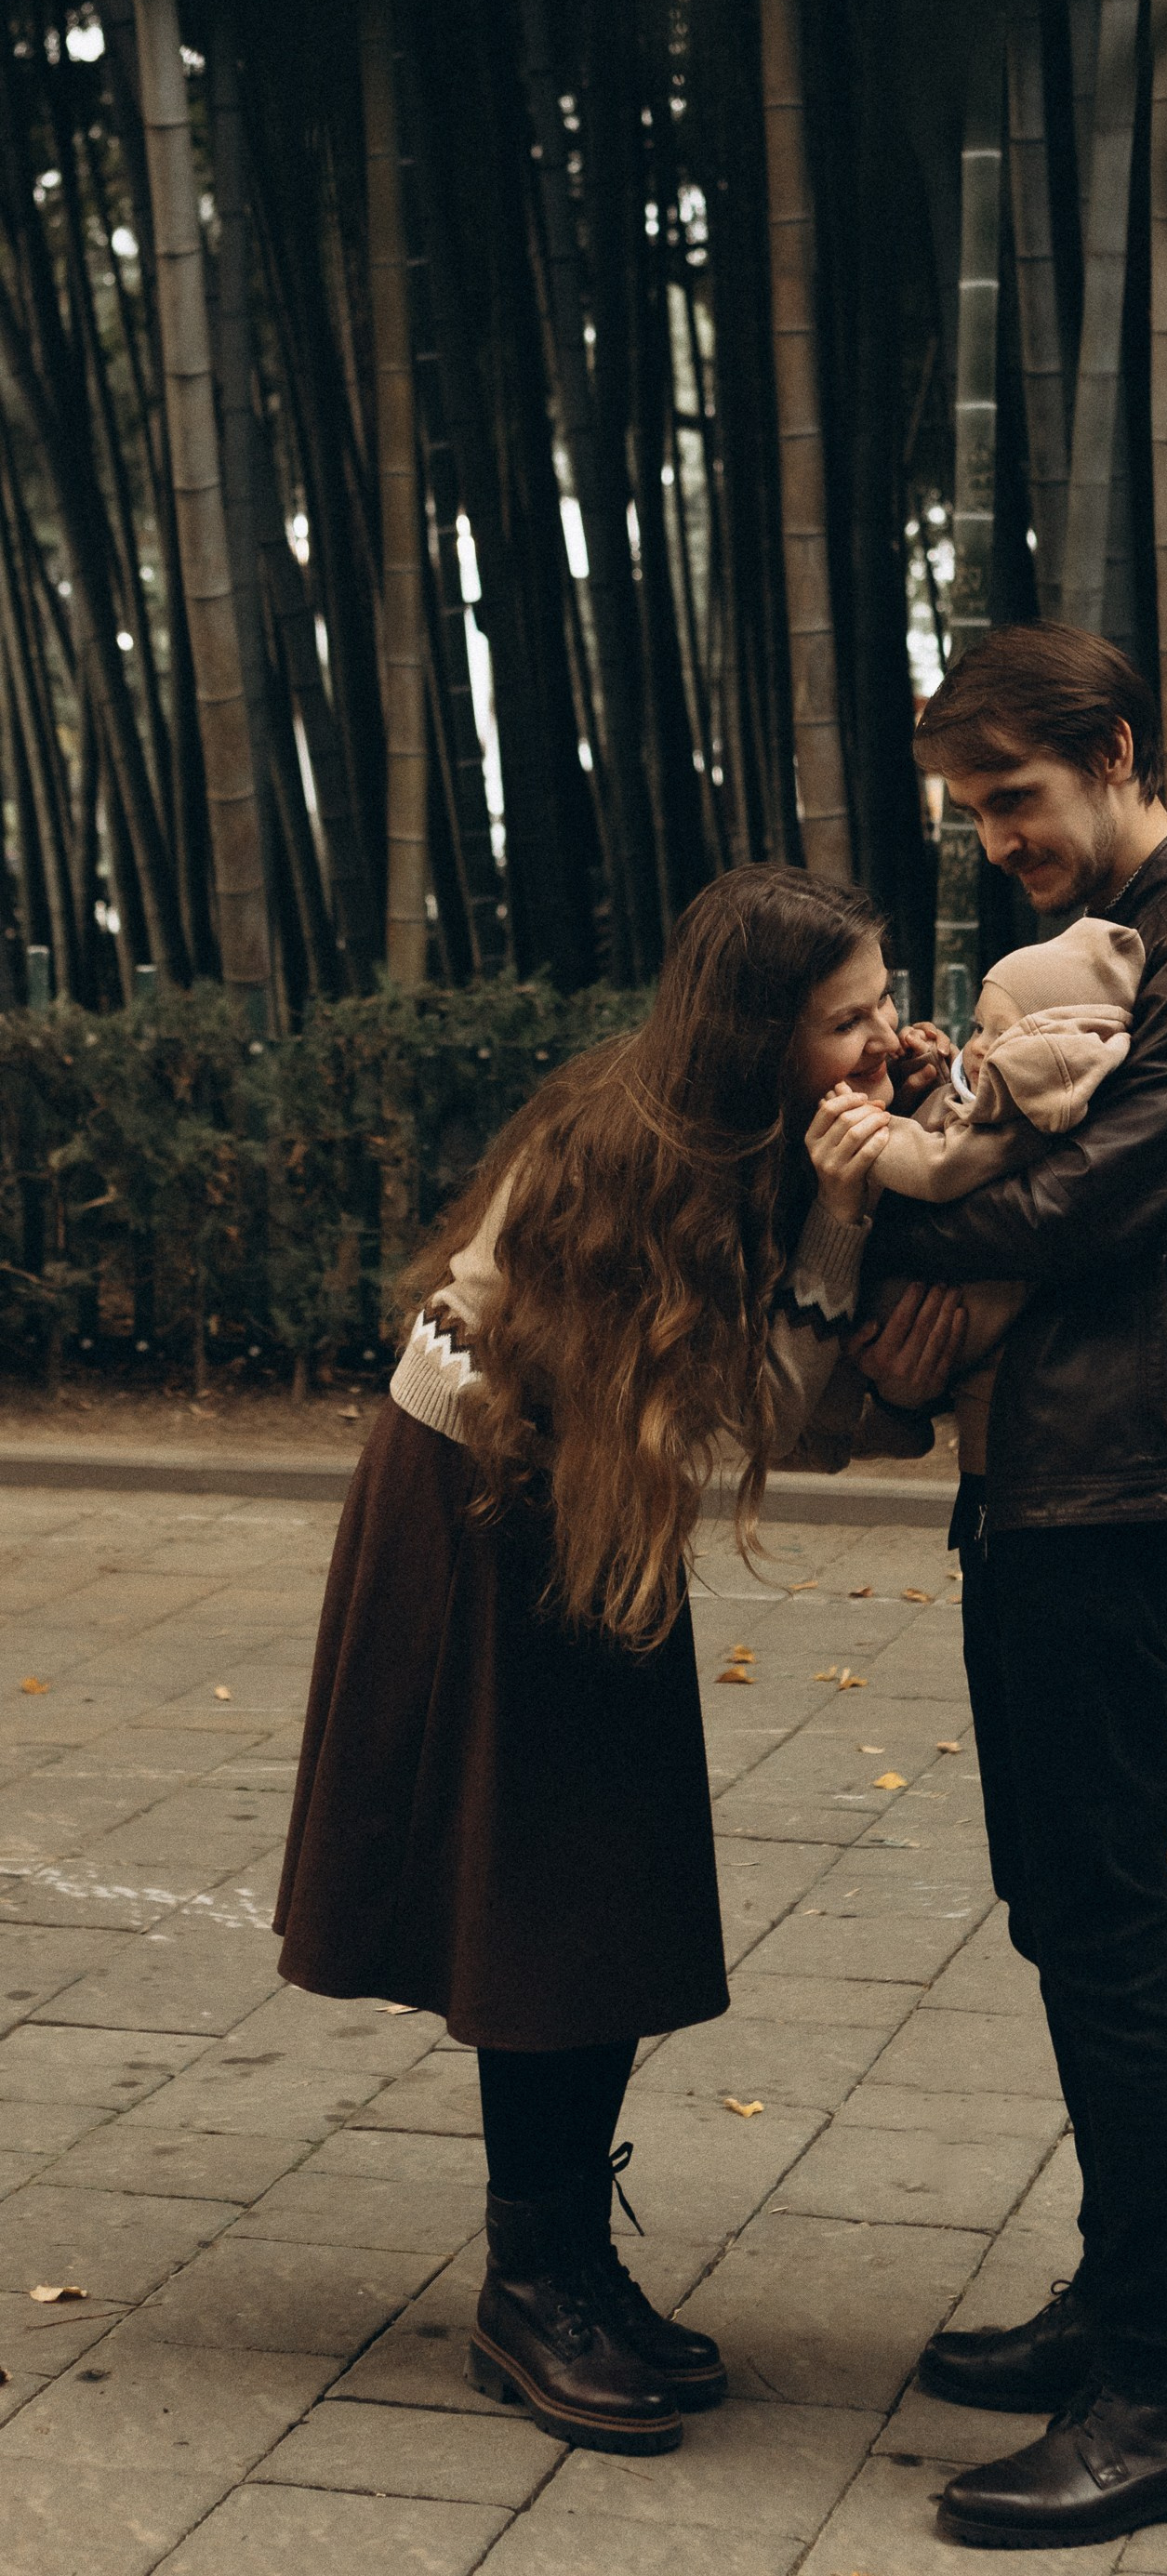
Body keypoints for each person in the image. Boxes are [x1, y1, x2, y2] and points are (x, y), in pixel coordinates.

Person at [274, 867, 962, 2460]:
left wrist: (875, 1142)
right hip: (484, 1510)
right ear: (755, 1030)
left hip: (585, 1514)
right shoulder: (634, 1152)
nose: (879, 1036)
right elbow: (778, 1408)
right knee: (543, 1900)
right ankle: (532, 2292)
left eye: (880, 1000)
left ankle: (567, 2262)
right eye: (845, 1017)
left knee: (598, 1892)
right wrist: (854, 1197)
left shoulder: (746, 1133)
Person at [869, 623, 1167, 2550]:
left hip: (1123, 1476)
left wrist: (911, 1168)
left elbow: (1087, 1199)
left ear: (1115, 753)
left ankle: (1161, 2390)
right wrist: (954, 1096)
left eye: (1017, 800)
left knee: (1104, 1904)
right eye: (970, 815)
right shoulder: (1124, 943)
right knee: (1061, 1894)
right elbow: (1041, 1151)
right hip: (1053, 1459)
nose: (995, 842)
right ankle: (1118, 2293)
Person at [828, 915, 1147, 1475]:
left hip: (970, 1309)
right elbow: (957, 1108)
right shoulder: (1006, 1090)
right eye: (977, 1028)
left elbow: (937, 1166)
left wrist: (866, 1125)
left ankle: (886, 1418)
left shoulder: (1025, 1115)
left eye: (998, 1036)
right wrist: (929, 1069)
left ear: (1042, 1049)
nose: (975, 1049)